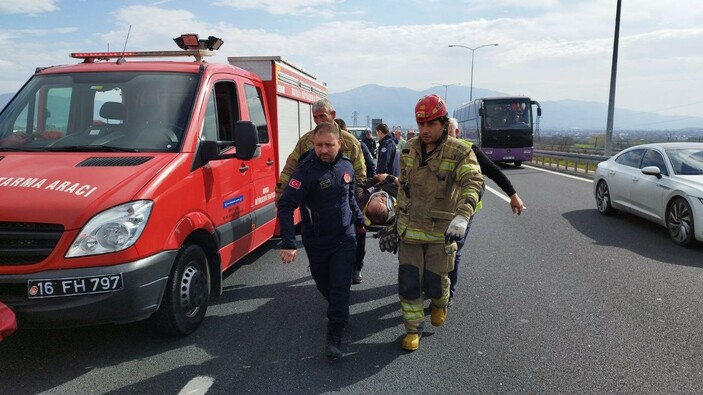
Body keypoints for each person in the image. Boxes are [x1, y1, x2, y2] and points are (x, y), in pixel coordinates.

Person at [378, 94, 484, 351]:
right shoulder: (408, 148)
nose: (425, 130)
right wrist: (394, 221)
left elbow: (474, 182)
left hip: (441, 233)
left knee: (436, 284)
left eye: (431, 124)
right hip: (410, 231)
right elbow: (404, 187)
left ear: (443, 123)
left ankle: (439, 302)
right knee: (409, 282)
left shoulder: (460, 151)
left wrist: (463, 214)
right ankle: (413, 329)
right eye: (421, 124)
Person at [277, 121, 366, 360]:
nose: (323, 150)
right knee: (324, 285)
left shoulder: (347, 167)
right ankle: (338, 308)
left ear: (340, 143)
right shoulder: (304, 172)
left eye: (328, 145)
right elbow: (286, 206)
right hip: (316, 242)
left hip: (344, 238)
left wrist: (359, 219)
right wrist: (288, 242)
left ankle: (334, 334)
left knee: (340, 285)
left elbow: (349, 198)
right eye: (318, 145)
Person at [446, 117, 525, 306]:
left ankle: (448, 293)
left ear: (456, 133)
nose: (447, 136)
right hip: (440, 208)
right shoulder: (434, 149)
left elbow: (492, 169)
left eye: (449, 131)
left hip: (465, 209)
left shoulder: (469, 150)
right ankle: (435, 282)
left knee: (454, 248)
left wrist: (512, 194)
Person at [275, 98, 366, 202]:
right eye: (315, 117)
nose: (319, 121)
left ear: (333, 114)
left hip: (343, 202)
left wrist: (356, 203)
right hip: (313, 204)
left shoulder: (350, 142)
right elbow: (289, 169)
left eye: (322, 116)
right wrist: (280, 196)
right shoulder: (305, 142)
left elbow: (360, 176)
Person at [336, 118, 374, 284]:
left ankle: (357, 267)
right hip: (337, 198)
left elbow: (370, 166)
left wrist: (364, 189)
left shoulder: (355, 144)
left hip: (356, 194)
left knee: (359, 230)